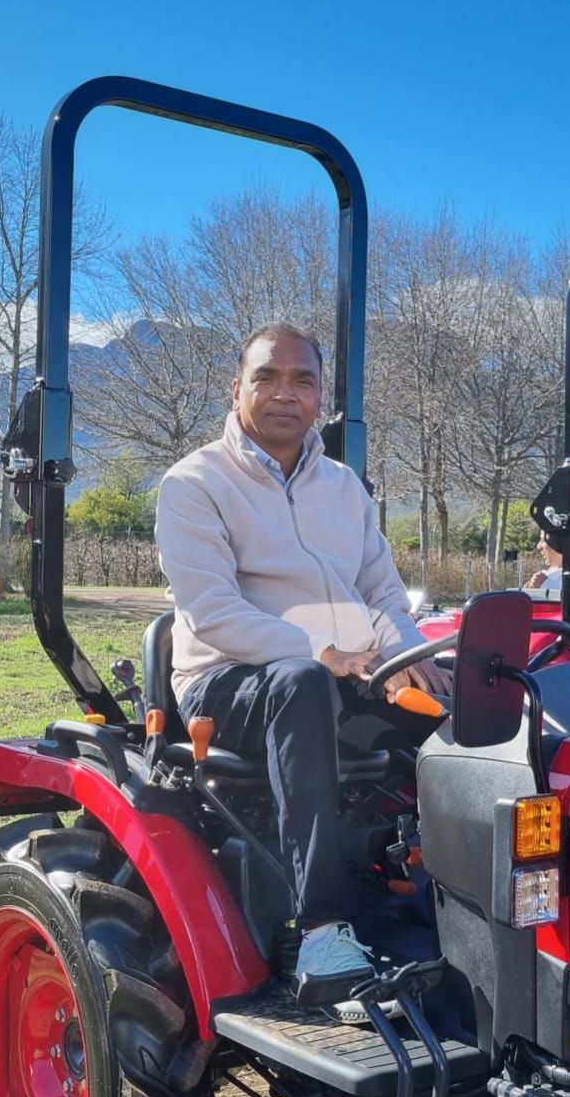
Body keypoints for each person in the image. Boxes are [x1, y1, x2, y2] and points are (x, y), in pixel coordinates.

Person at [155, 322, 450, 1001]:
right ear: (237, 389)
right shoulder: (195, 482)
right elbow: (211, 613)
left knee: (467, 697)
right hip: (228, 678)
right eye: (267, 377)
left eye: (302, 380)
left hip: (343, 665)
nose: (285, 392)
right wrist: (324, 653)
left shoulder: (343, 487)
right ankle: (320, 928)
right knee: (301, 683)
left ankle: (459, 894)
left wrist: (406, 653)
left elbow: (380, 589)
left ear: (321, 398)